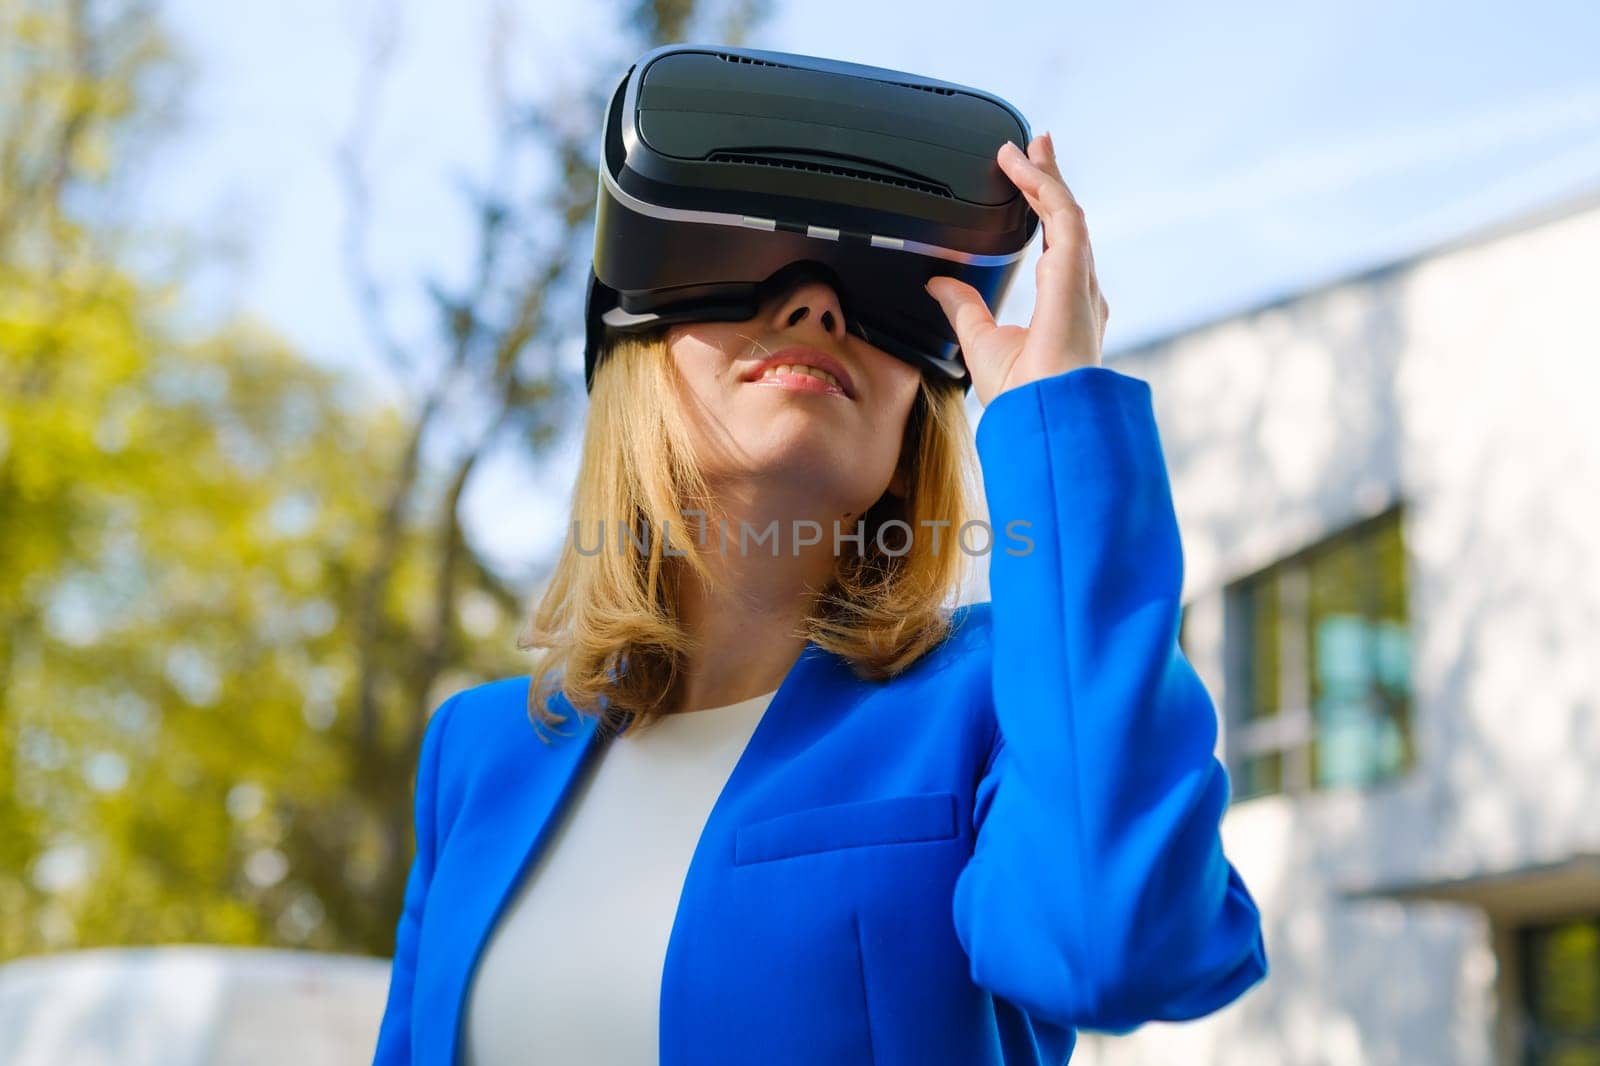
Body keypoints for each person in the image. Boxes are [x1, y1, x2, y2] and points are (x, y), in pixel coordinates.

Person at [372, 132, 1268, 1066]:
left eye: (877, 291)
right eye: (741, 262)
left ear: (914, 418)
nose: (817, 303)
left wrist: (1052, 418)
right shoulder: (476, 753)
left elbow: (1112, 953)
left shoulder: (999, 700)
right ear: (636, 351)